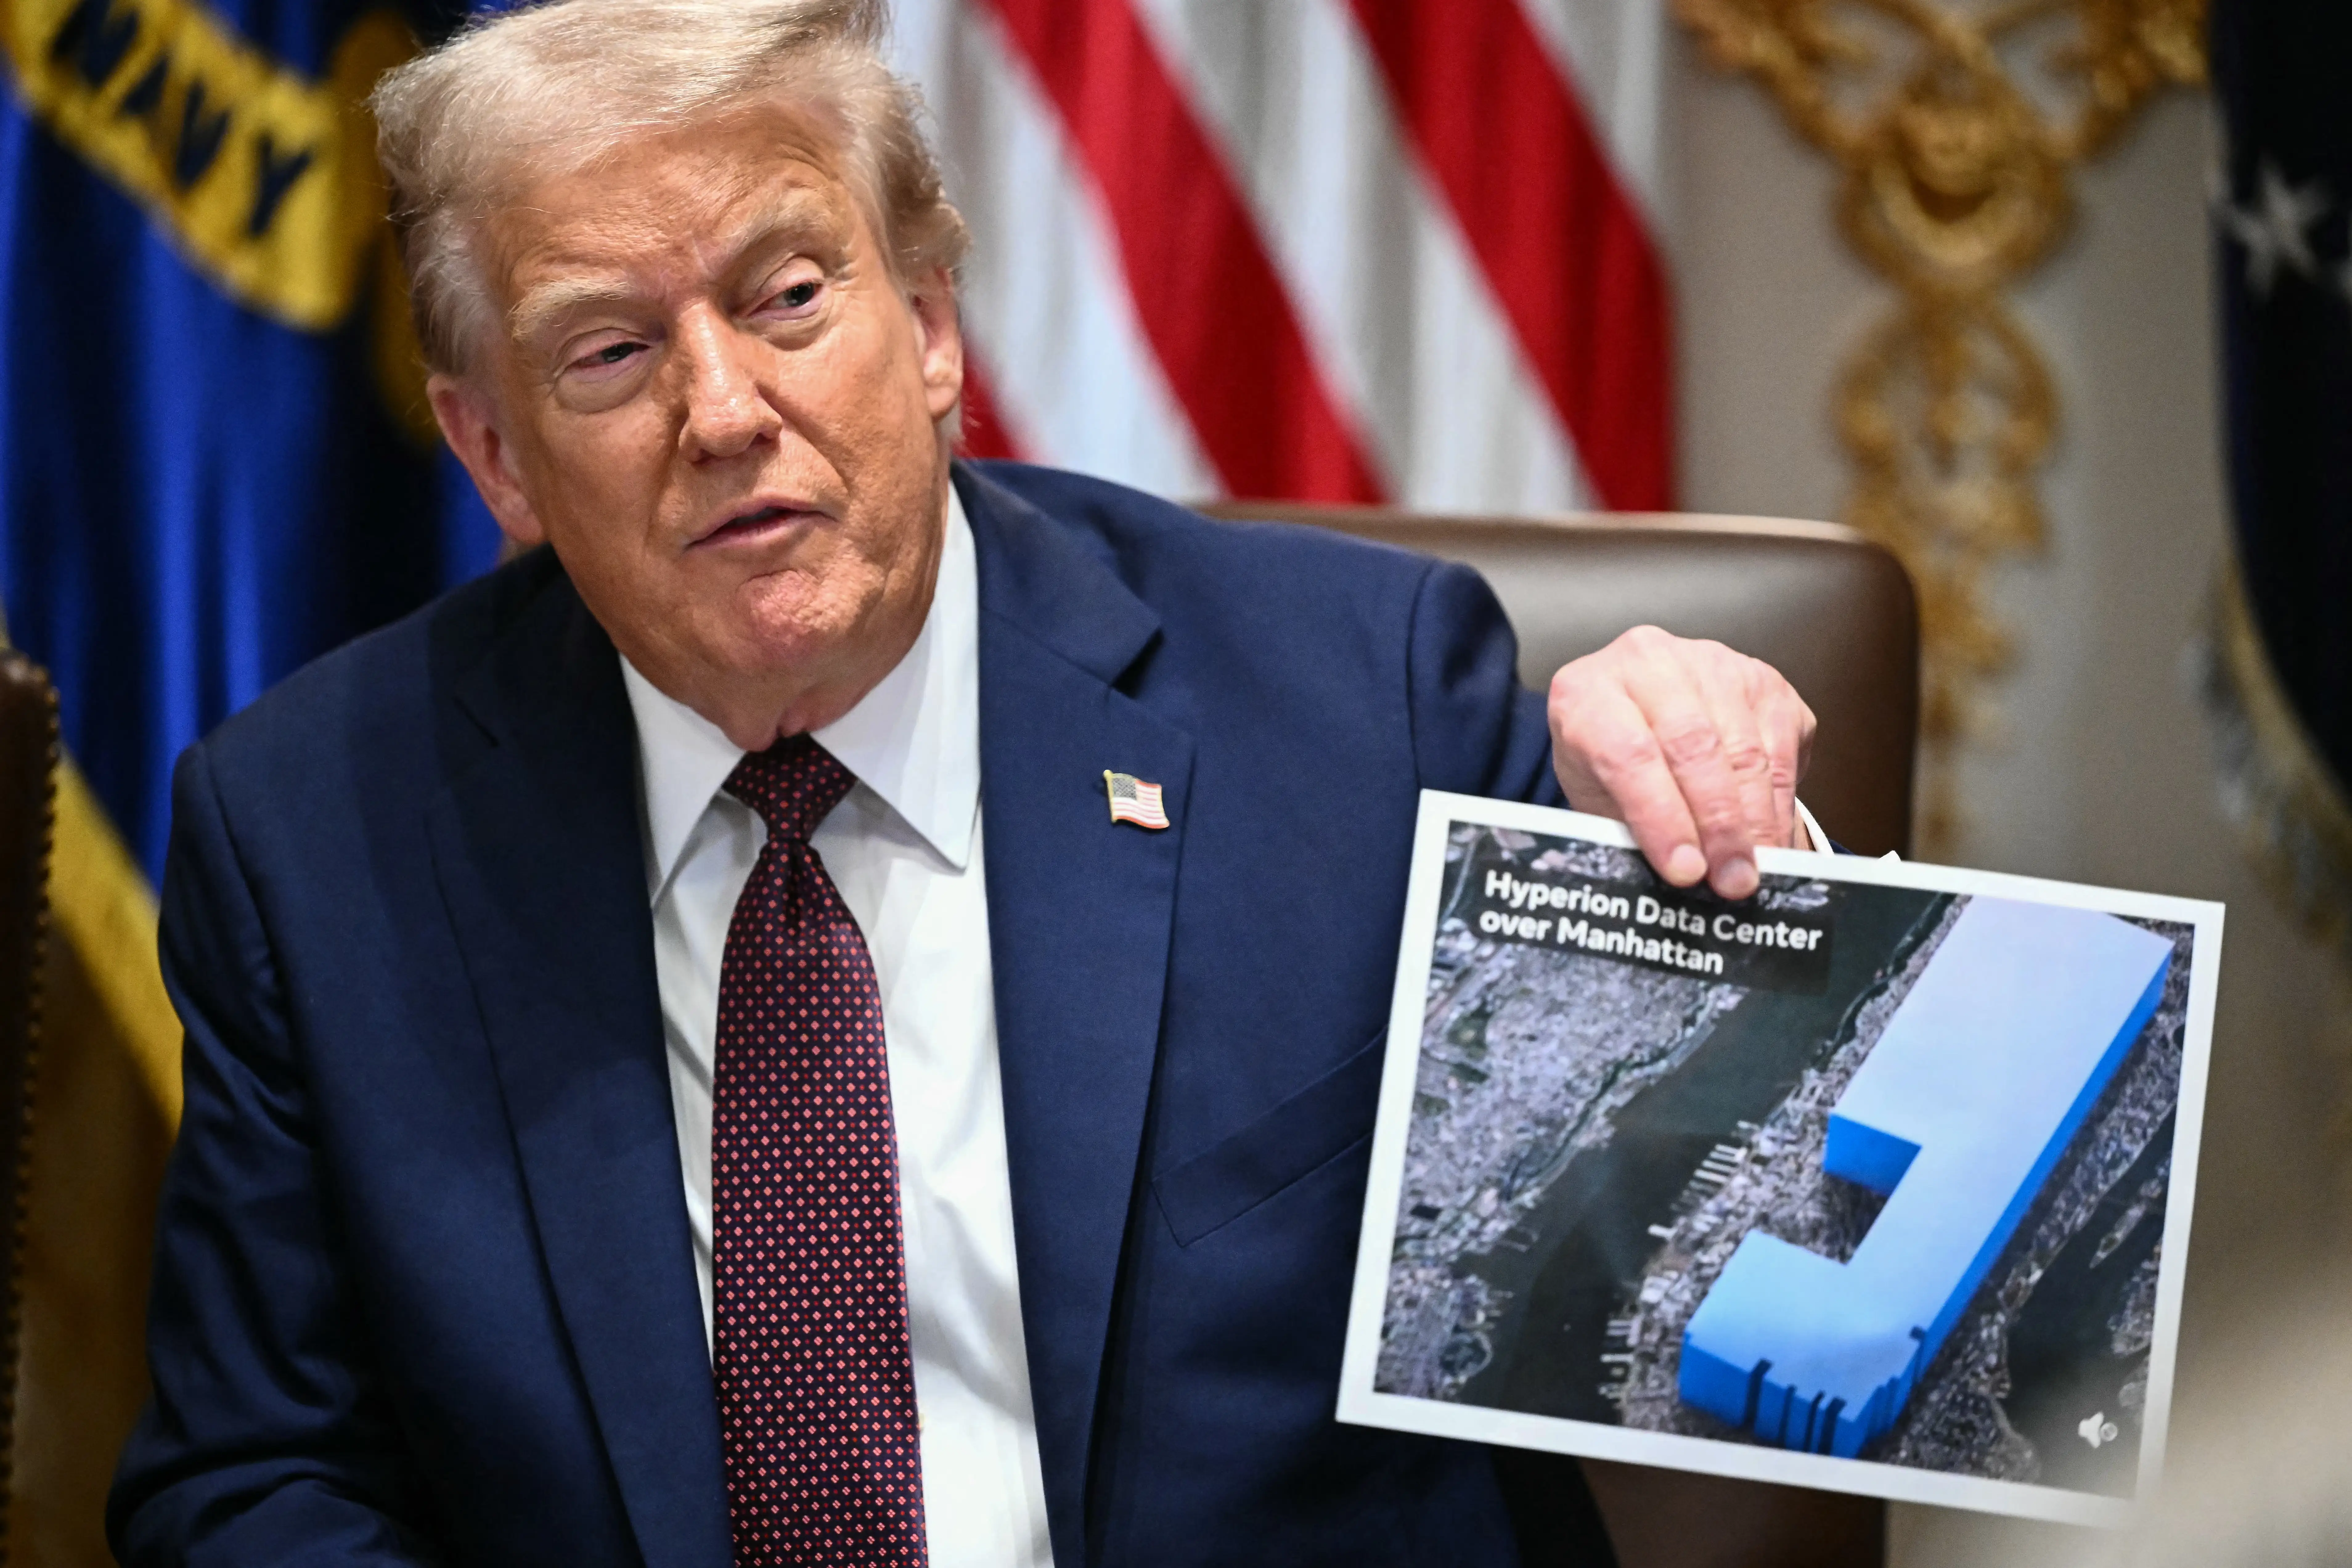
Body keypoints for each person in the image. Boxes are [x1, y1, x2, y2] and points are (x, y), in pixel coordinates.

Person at [106, 2, 1824, 1563]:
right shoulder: (319, 836)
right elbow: (254, 1481)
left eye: (788, 297)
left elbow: (1760, 1252)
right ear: (494, 454)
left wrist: (1709, 829)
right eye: (610, 354)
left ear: (930, 330)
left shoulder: (1356, 706)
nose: (725, 409)